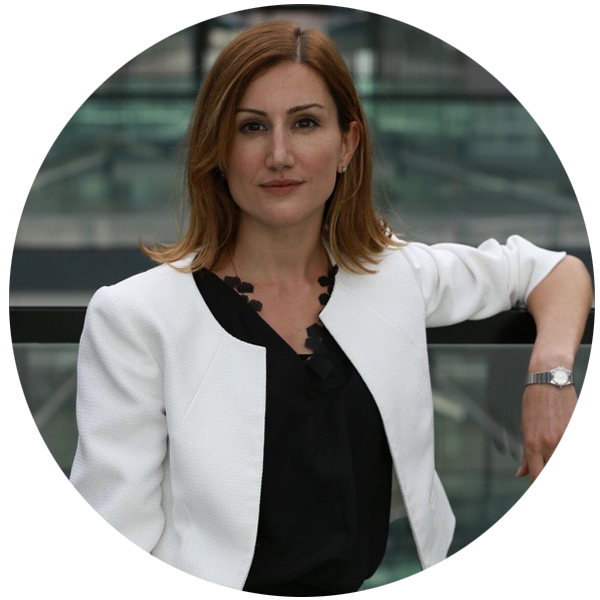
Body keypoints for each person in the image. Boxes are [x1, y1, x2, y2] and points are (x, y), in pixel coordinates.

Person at [69, 20, 592, 596]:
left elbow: (552, 270)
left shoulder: (392, 276)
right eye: (251, 127)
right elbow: (112, 550)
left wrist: (550, 378)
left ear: (347, 144)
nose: (279, 154)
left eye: (305, 123)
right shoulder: (137, 318)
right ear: (218, 150)